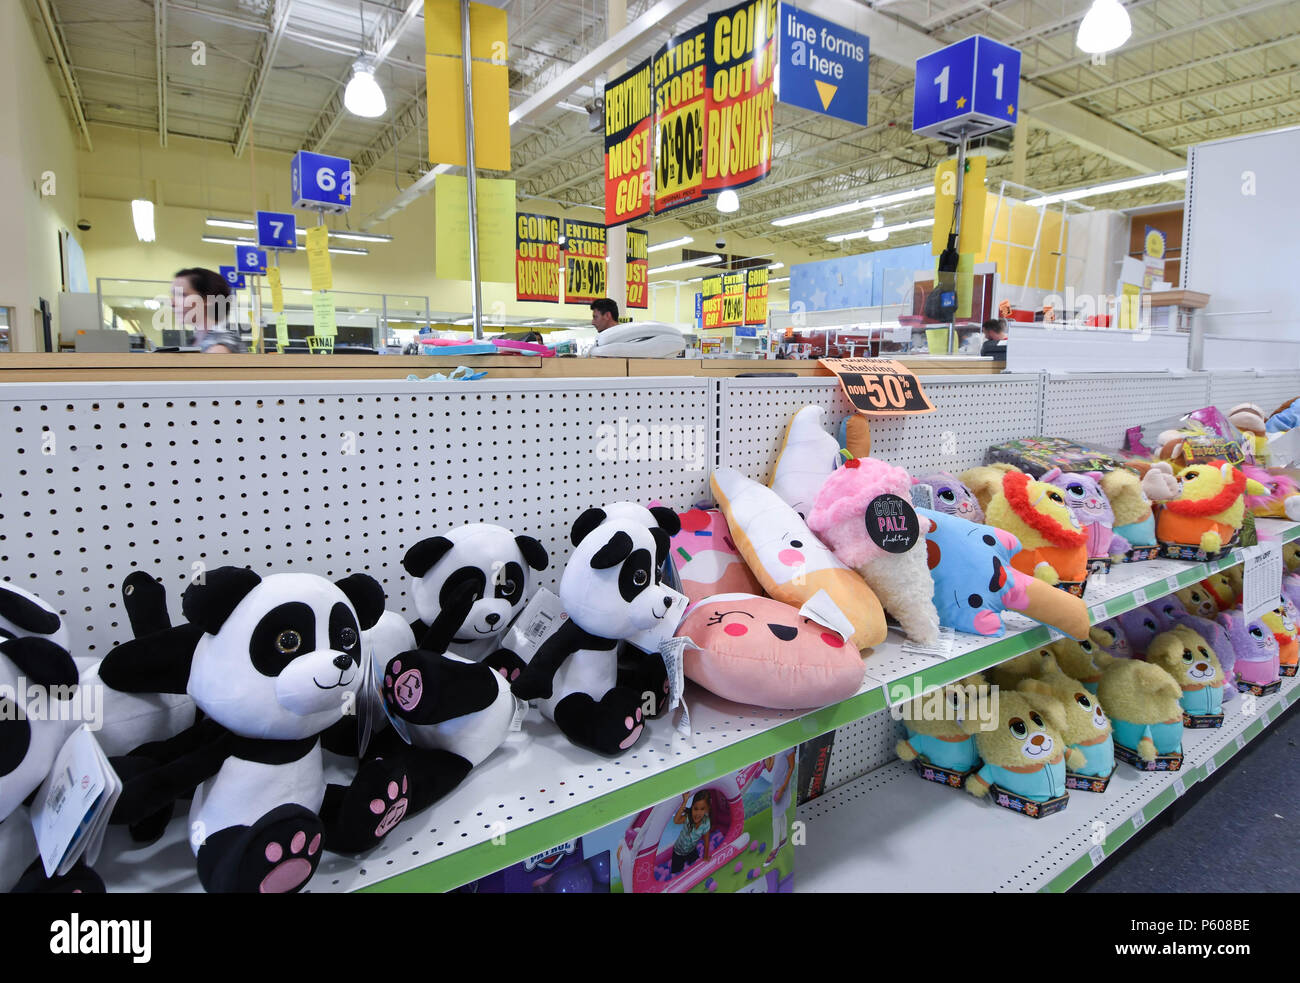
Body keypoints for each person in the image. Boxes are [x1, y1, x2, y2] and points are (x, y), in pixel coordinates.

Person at [172, 267, 242, 353]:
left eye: (182, 295)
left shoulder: (219, 348)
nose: (172, 303)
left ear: (207, 299)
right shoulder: (195, 342)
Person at [670, 789, 712, 876]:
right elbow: (676, 820)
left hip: (691, 850)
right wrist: (685, 802)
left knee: (695, 865)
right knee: (676, 872)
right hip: (678, 852)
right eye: (695, 809)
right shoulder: (688, 817)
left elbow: (706, 840)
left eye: (702, 809)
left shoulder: (706, 822)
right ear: (692, 807)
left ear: (707, 809)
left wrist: (706, 856)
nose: (698, 813)